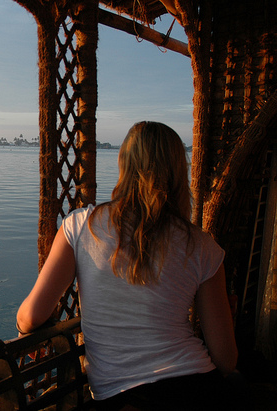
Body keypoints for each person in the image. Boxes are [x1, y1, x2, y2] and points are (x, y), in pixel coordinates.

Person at [16, 122, 240, 410]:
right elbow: (225, 359)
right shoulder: (202, 246)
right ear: (177, 171)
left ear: (124, 164)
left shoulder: (82, 227)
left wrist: (23, 328)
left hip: (120, 396)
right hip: (196, 388)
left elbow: (31, 315)